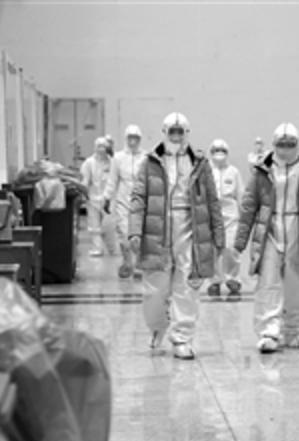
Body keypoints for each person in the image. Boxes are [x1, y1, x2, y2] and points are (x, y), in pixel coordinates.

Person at [129, 112, 225, 359]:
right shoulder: (149, 162)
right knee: (154, 290)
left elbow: (212, 200)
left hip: (189, 226)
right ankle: (157, 326)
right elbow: (138, 197)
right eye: (171, 131)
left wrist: (218, 234)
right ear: (164, 132)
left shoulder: (199, 163)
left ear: (187, 133)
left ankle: (182, 337)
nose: (176, 136)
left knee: (186, 286)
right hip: (157, 228)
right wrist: (134, 230)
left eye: (180, 132)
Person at [235, 123, 299, 353]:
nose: (285, 149)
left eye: (290, 144)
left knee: (295, 282)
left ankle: (293, 330)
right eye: (281, 144)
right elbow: (249, 204)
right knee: (268, 281)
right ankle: (269, 331)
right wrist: (241, 238)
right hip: (271, 227)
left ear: (298, 144)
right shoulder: (263, 169)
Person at [103, 124, 147, 278]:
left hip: (141, 202)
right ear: (126, 139)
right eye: (130, 138)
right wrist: (107, 198)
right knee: (124, 234)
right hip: (123, 201)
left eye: (136, 138)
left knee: (138, 236)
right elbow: (112, 180)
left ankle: (139, 263)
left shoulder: (146, 158)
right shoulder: (118, 158)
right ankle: (127, 262)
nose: (133, 141)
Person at [206, 139, 244, 297]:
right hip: (212, 214)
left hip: (231, 214)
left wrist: (244, 215)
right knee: (213, 249)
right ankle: (214, 281)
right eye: (216, 150)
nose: (219, 154)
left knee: (231, 248)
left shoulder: (234, 172)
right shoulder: (206, 171)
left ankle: (233, 278)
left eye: (222, 150)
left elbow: (240, 194)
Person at [80, 137, 116, 256]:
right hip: (93, 198)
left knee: (109, 226)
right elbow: (85, 180)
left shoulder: (113, 162)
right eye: (99, 146)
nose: (101, 149)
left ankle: (112, 248)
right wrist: (84, 194)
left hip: (108, 200)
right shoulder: (89, 163)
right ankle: (97, 248)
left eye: (103, 146)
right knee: (94, 226)